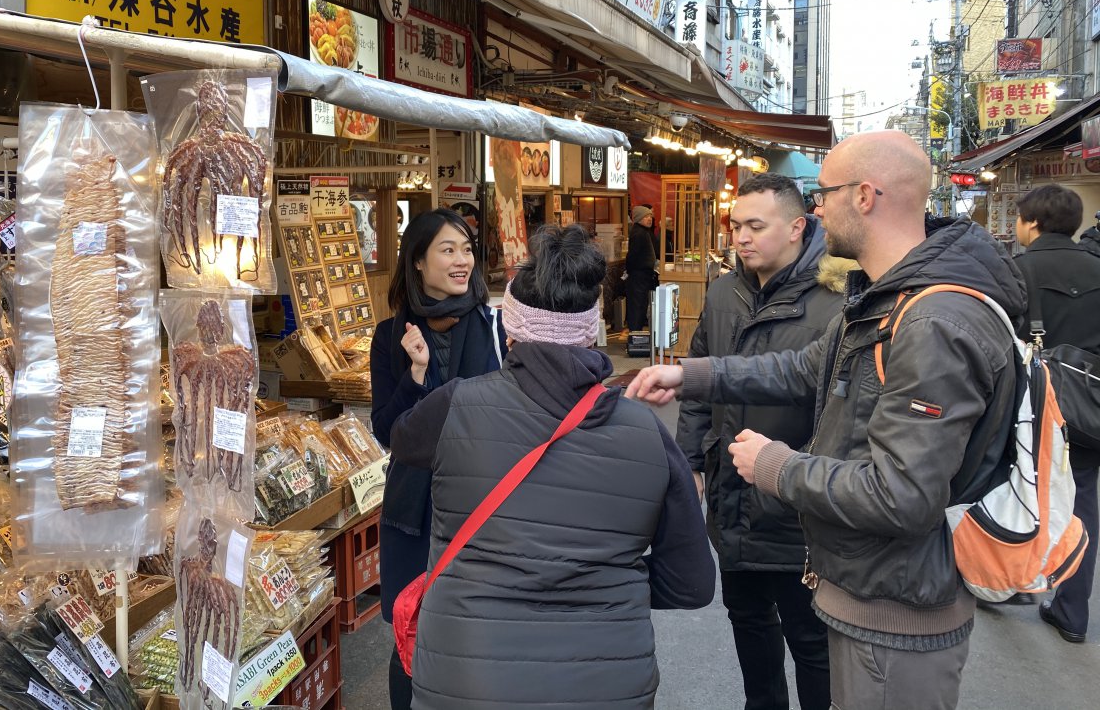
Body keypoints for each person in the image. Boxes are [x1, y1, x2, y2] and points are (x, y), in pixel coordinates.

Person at [626, 131, 1025, 710]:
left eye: (824, 192)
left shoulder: (930, 320)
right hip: (867, 590)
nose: (816, 209)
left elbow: (902, 495)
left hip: (897, 604)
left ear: (865, 196)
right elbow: (801, 369)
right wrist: (694, 376)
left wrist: (777, 466)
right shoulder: (886, 299)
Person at [390, 224, 715, 709]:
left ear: (510, 328)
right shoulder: (648, 434)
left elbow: (401, 438)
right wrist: (604, 578)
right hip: (606, 685)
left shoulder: (454, 407)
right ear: (594, 328)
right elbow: (691, 584)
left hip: (468, 679)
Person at [676, 173, 849, 710]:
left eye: (756, 226)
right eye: (735, 226)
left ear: (798, 227)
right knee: (747, 619)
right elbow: (699, 386)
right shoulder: (726, 289)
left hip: (796, 497)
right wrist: (691, 462)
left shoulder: (839, 294)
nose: (741, 238)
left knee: (810, 637)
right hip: (730, 489)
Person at [370, 208, 506, 710]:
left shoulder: (495, 326)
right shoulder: (390, 337)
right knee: (410, 635)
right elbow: (387, 431)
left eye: (467, 249)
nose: (462, 260)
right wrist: (417, 374)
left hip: (480, 507)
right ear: (419, 262)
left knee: (475, 635)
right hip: (412, 509)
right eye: (448, 249)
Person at [1013, 185, 1100, 644]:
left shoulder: (1017, 269)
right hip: (1090, 409)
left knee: (1010, 488)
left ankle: (1003, 579)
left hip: (1030, 405)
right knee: (1081, 499)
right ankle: (1072, 610)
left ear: (1032, 223)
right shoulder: (1098, 268)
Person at [623, 205, 658, 336]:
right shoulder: (638, 233)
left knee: (640, 305)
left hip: (643, 275)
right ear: (638, 219)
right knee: (637, 307)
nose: (649, 219)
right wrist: (630, 271)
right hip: (638, 276)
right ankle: (635, 336)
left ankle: (636, 334)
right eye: (646, 216)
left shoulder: (644, 231)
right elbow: (632, 256)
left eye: (650, 216)